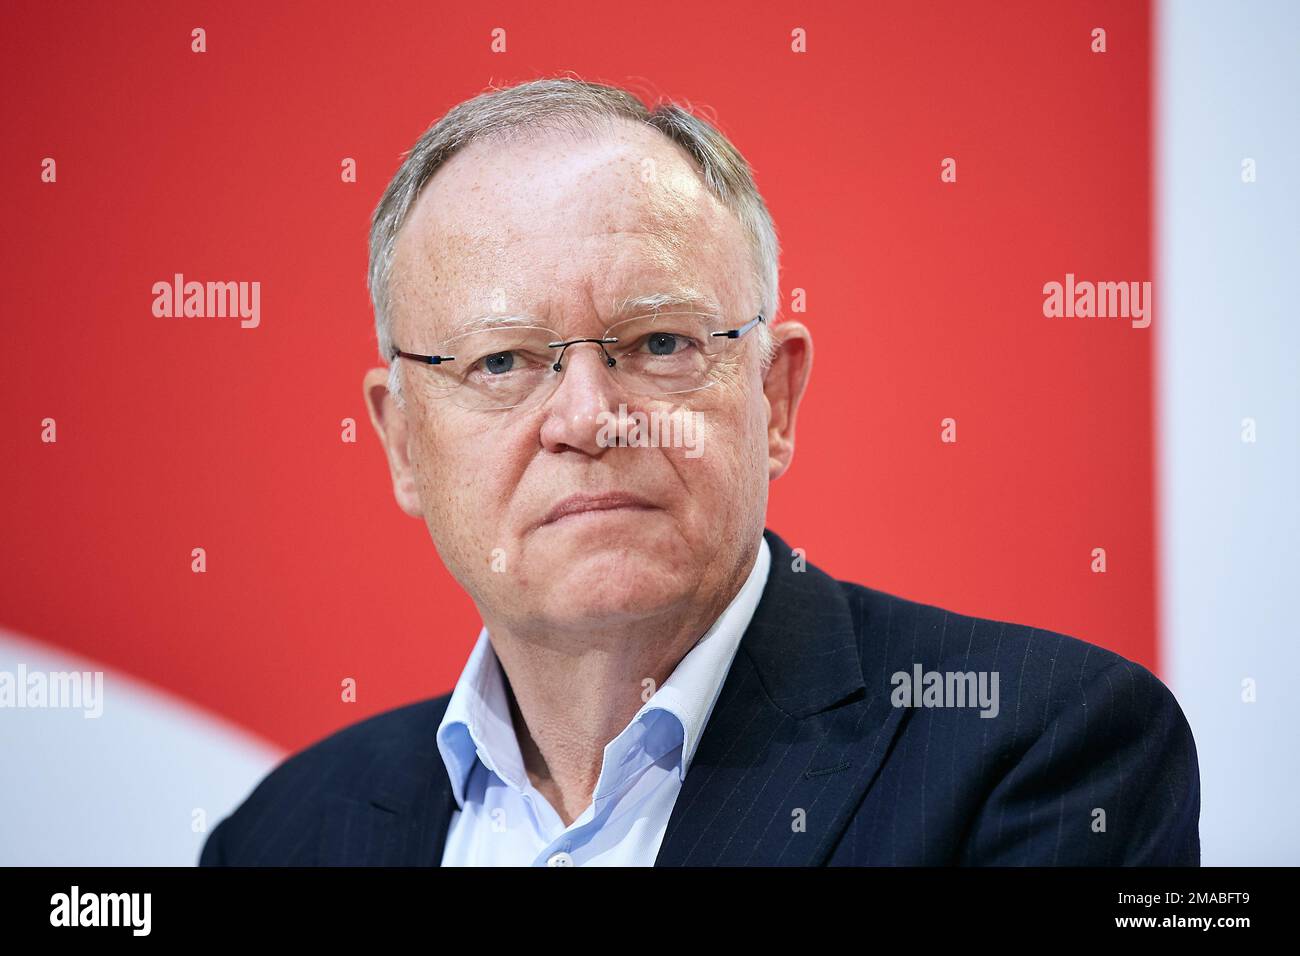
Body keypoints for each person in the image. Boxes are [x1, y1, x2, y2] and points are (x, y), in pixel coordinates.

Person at [199, 77, 1199, 866]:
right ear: (403, 440)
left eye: (660, 341)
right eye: (500, 360)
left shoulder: (1041, 750)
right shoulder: (283, 834)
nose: (589, 417)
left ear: (776, 397)